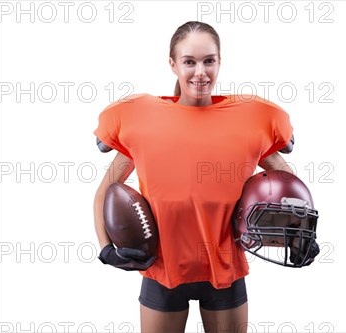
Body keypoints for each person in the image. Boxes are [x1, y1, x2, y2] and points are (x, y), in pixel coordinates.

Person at [92, 21, 298, 333]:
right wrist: (106, 248)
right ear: (173, 64)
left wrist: (292, 227)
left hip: (225, 268)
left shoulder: (251, 120)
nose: (200, 72)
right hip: (161, 268)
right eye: (189, 61)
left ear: (220, 62)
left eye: (208, 61)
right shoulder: (142, 120)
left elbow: (285, 177)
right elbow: (107, 189)